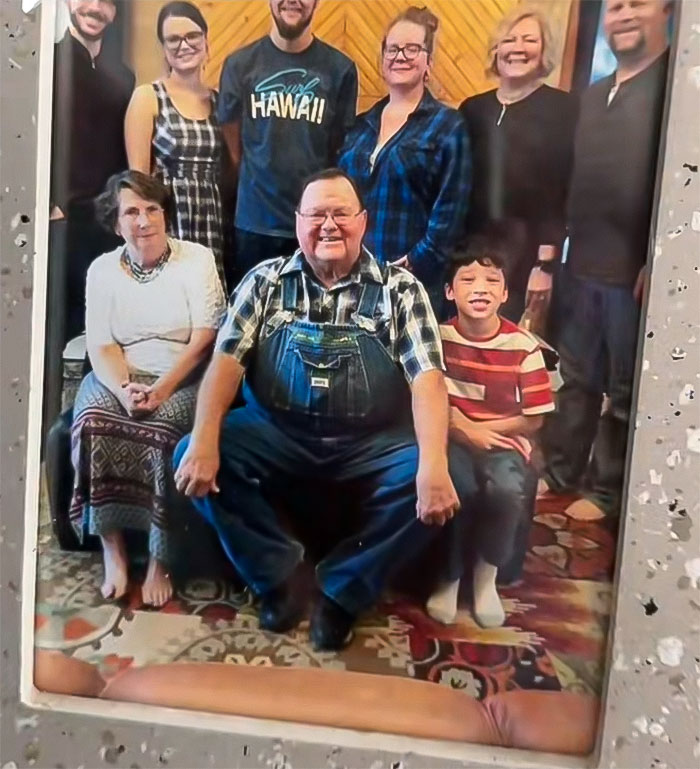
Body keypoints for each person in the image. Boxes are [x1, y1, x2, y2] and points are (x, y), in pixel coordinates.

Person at [174, 168, 463, 651]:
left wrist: (434, 466)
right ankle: (278, 577)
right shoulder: (264, 282)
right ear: (297, 223)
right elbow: (224, 365)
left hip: (370, 442)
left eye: (341, 213)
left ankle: (342, 591)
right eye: (316, 214)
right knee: (190, 451)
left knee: (453, 478)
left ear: (363, 222)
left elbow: (428, 379)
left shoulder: (401, 290)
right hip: (276, 433)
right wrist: (204, 440)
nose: (328, 225)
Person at [69, 171, 226, 607]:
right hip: (119, 375)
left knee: (163, 430)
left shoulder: (196, 260)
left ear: (165, 214)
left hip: (183, 375)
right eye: (132, 212)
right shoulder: (102, 270)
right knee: (93, 420)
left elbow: (205, 338)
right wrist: (123, 390)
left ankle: (161, 558)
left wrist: (160, 389)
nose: (144, 221)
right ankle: (113, 549)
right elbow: (100, 343)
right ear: (116, 222)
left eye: (152, 209)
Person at [541, 0, 672, 520]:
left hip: (634, 272)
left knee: (622, 392)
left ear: (666, 10)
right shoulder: (593, 97)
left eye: (635, 4)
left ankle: (607, 491)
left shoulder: (675, 91)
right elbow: (569, 182)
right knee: (576, 380)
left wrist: (656, 259)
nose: (622, 16)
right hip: (582, 264)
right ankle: (560, 471)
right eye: (614, 7)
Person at [426, 238, 554, 627]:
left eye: (490, 280)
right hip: (451, 438)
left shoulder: (523, 346)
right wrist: (462, 430)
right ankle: (449, 576)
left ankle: (487, 577)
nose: (479, 288)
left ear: (504, 292)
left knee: (505, 489)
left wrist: (482, 429)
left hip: (503, 441)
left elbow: (534, 417)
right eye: (467, 280)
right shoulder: (438, 339)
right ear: (449, 291)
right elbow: (425, 394)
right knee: (457, 487)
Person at [338, 6, 470, 319]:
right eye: (393, 48)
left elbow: (452, 209)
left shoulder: (448, 125)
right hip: (352, 276)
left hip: (413, 280)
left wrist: (414, 260)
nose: (401, 56)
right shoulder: (360, 125)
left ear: (429, 61)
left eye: (413, 48)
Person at [216, 0, 358, 281]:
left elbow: (339, 148)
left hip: (316, 226)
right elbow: (232, 140)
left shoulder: (340, 69)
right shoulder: (239, 65)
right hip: (254, 225)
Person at [45, 0, 135, 436]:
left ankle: (87, 430)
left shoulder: (124, 77)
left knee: (101, 334)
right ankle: (45, 438)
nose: (94, 8)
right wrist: (49, 200)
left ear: (115, 14)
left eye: (106, 3)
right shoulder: (47, 59)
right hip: (59, 225)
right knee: (52, 334)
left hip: (106, 228)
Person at [459, 6, 577, 325]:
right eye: (509, 40)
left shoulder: (564, 109)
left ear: (543, 50)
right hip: (469, 247)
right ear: (497, 50)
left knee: (508, 342)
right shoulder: (472, 109)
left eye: (529, 40)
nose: (517, 48)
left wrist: (546, 265)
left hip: (527, 252)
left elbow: (563, 188)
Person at [125, 2, 226, 286]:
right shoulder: (148, 97)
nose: (183, 45)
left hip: (212, 223)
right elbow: (138, 184)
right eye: (173, 39)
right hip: (170, 221)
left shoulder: (220, 101)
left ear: (206, 40)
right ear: (164, 47)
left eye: (191, 36)